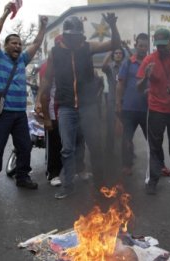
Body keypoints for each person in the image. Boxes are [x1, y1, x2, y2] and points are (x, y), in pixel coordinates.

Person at [41, 14, 121, 199]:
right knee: (67, 149)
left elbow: (114, 44)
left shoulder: (88, 47)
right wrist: (41, 102)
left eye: (77, 35)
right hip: (66, 108)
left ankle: (100, 187)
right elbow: (47, 79)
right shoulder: (55, 53)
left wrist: (113, 26)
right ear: (65, 35)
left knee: (95, 146)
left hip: (88, 106)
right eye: (71, 36)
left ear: (81, 36)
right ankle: (68, 186)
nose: (74, 39)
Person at [0, 3, 47, 193]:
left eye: (19, 44)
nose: (18, 46)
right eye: (14, 43)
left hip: (20, 114)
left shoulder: (22, 60)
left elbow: (36, 44)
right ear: (5, 45)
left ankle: (22, 177)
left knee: (24, 146)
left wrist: (43, 27)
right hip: (2, 113)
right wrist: (5, 13)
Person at [136, 28, 170, 195]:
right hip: (156, 109)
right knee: (155, 146)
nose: (161, 49)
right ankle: (153, 178)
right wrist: (146, 77)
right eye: (158, 46)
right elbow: (138, 89)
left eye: (164, 45)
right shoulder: (149, 60)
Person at [36, 36, 91, 187]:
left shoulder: (73, 62)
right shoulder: (48, 66)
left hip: (74, 109)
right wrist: (46, 116)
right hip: (55, 110)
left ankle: (80, 168)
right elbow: (44, 90)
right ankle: (53, 173)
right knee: (55, 144)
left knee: (79, 141)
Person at [116, 33, 149, 176]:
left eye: (145, 46)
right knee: (126, 139)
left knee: (153, 140)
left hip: (148, 109)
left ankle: (157, 166)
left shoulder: (151, 63)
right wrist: (118, 103)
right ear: (135, 46)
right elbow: (120, 84)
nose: (143, 48)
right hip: (129, 109)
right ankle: (127, 165)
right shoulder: (128, 63)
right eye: (140, 45)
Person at [102, 47, 125, 153]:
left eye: (120, 53)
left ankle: (127, 150)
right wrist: (110, 50)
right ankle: (109, 149)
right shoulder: (110, 67)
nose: (118, 55)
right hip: (112, 100)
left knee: (127, 126)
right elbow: (103, 66)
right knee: (111, 125)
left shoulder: (126, 66)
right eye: (116, 53)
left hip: (124, 100)